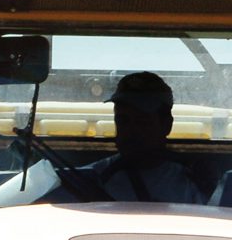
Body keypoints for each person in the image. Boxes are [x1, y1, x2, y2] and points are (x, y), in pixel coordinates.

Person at [77, 71, 204, 203]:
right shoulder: (92, 179)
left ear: (167, 125)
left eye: (143, 122)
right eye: (123, 121)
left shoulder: (195, 179)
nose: (130, 130)